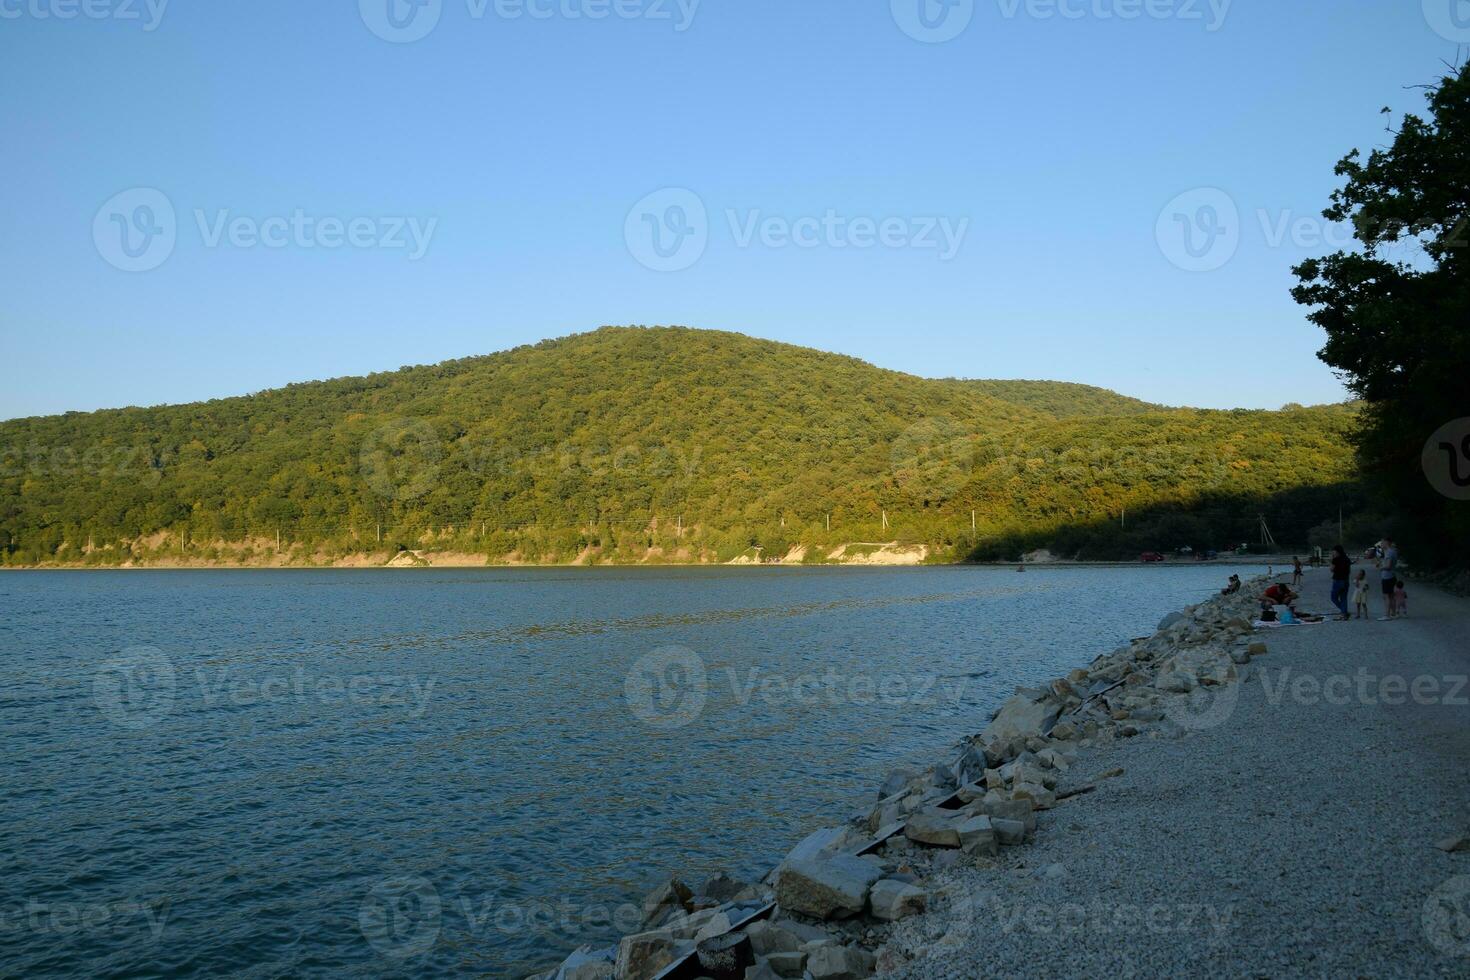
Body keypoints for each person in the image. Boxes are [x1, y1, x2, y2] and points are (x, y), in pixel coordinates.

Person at [1378, 536, 1400, 619]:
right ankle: (1393, 613)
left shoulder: (1390, 552)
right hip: (1391, 576)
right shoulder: (1391, 551)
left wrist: (1381, 568)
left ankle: (1387, 615)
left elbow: (1388, 566)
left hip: (1387, 577)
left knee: (1386, 596)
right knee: (1391, 596)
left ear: (1387, 542)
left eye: (1382, 542)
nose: (1381, 544)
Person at [1329, 545, 1351, 620]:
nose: (1333, 553)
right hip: (1346, 580)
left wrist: (1332, 559)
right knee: (1343, 598)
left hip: (1338, 580)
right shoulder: (1347, 559)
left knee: (1333, 597)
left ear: (1337, 551)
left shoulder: (1336, 559)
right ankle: (1344, 614)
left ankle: (1344, 612)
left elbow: (1331, 569)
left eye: (1334, 551)